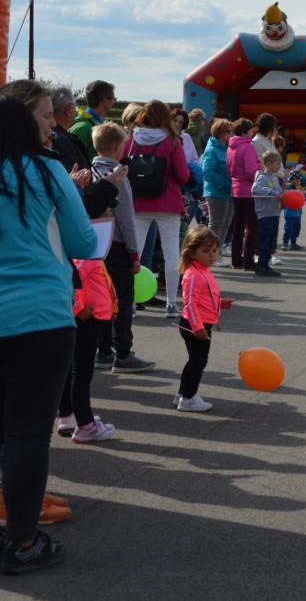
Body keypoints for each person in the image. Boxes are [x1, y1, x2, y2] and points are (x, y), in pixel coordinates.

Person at [0, 92, 98, 573]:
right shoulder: (45, 171)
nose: (52, 126)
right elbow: (84, 241)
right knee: (26, 434)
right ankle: (22, 541)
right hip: (38, 314)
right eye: (44, 116)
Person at [89, 122, 154, 374]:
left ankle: (104, 350)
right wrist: (134, 254)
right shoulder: (118, 175)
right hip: (116, 246)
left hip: (94, 247)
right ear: (118, 147)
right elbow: (126, 218)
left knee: (102, 298)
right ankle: (124, 353)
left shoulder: (88, 171)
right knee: (123, 301)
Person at [126, 100, 191, 319]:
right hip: (167, 202)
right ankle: (171, 303)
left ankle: (131, 302)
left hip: (138, 202)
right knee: (171, 252)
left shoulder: (132, 139)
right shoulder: (172, 140)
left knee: (134, 252)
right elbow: (182, 175)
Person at [54, 257, 117, 443]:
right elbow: (69, 279)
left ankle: (68, 416)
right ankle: (86, 425)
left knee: (72, 371)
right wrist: (79, 308)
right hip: (87, 319)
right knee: (81, 373)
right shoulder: (85, 255)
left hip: (90, 317)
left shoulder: (89, 254)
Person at [175, 226, 234, 413]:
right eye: (206, 251)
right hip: (194, 325)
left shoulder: (203, 271)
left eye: (214, 250)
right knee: (198, 361)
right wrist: (197, 327)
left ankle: (183, 393)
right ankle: (188, 399)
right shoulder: (192, 274)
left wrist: (220, 303)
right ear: (192, 253)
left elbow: (205, 297)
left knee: (195, 360)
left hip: (200, 323)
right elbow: (190, 303)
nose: (212, 255)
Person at [227, 118, 262, 271]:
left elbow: (229, 168)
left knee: (238, 226)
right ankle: (248, 260)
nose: (251, 134)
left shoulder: (231, 147)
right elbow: (250, 171)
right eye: (249, 131)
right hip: (249, 191)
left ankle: (236, 260)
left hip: (236, 189)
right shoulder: (248, 147)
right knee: (252, 227)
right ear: (243, 132)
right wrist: (260, 173)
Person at [201, 118, 233, 267]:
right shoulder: (212, 150)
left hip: (228, 192)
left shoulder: (226, 148)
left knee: (225, 225)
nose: (231, 134)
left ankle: (216, 253)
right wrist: (223, 184)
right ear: (221, 133)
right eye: (229, 132)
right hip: (216, 193)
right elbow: (207, 172)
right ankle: (210, 254)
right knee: (216, 225)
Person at [252, 151, 285, 277]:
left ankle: (265, 265)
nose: (279, 166)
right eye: (277, 164)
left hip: (274, 213)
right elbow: (255, 189)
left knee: (271, 240)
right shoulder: (262, 177)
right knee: (264, 240)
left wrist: (283, 194)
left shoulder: (274, 177)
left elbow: (278, 192)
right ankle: (262, 266)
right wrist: (273, 192)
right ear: (269, 164)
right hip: (265, 214)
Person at [69, 79, 115, 160]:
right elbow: (69, 158)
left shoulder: (98, 124)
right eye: (113, 98)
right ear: (104, 100)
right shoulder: (83, 128)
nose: (114, 102)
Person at [49, 87, 91, 173]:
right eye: (75, 105)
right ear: (68, 109)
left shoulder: (48, 136)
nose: (76, 109)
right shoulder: (61, 141)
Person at [282, 172, 306, 250]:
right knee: (288, 229)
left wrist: (303, 194)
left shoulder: (299, 188)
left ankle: (293, 243)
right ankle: (285, 243)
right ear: (291, 180)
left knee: (297, 229)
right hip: (289, 213)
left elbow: (305, 197)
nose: (298, 181)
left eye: (299, 180)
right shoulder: (288, 188)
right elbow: (285, 197)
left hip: (298, 213)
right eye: (296, 180)